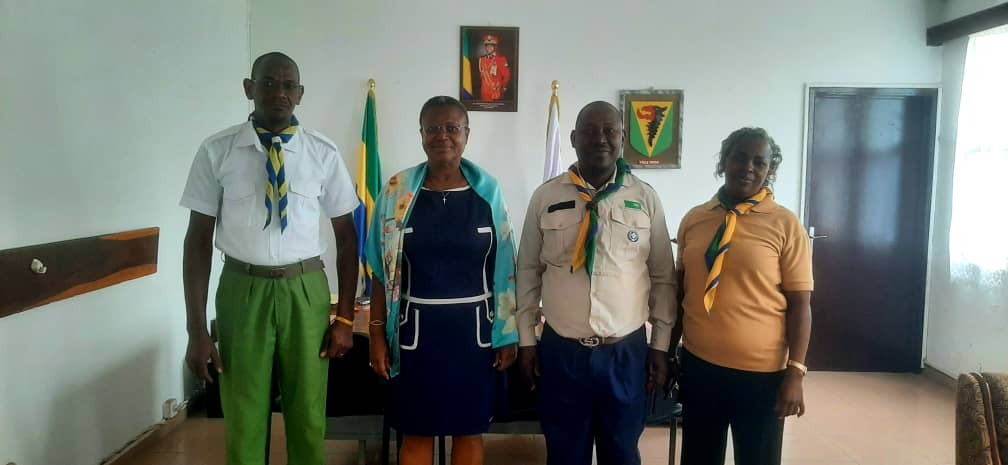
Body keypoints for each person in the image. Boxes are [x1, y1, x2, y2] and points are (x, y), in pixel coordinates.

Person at [180, 52, 359, 465]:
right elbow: (197, 240)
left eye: (287, 85)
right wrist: (196, 329)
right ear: (249, 88)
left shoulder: (322, 153)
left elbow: (348, 239)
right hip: (242, 289)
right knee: (243, 410)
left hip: (306, 291)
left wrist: (346, 318)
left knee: (309, 412)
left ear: (299, 94)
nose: (278, 92)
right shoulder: (217, 152)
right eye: (267, 83)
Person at [516, 101, 677, 465]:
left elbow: (663, 277)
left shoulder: (645, 198)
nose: (600, 138)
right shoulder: (546, 197)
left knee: (621, 452)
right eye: (589, 130)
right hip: (562, 353)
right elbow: (526, 270)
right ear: (573, 138)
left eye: (610, 131)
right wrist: (527, 339)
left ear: (622, 138)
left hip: (625, 352)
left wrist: (661, 345)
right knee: (565, 454)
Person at [365, 95, 519, 465]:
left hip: (475, 339)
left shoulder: (488, 193)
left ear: (467, 134)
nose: (443, 136)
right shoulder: (397, 192)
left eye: (453, 128)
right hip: (415, 338)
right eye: (433, 128)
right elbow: (379, 271)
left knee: (469, 433)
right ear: (421, 135)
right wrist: (375, 336)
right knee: (416, 435)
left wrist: (508, 334)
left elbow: (506, 270)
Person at [674, 127, 813, 465]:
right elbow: (681, 293)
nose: (748, 167)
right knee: (699, 458)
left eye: (760, 162)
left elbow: (800, 306)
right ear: (724, 161)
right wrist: (664, 353)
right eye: (740, 157)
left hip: (762, 377)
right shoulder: (695, 219)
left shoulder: (785, 224)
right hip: (700, 367)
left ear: (769, 171)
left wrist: (795, 372)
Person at [478, 34, 510, 101]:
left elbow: (506, 76)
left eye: (491, 46)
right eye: (487, 46)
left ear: (495, 47)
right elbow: (481, 77)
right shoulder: (481, 60)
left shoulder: (501, 60)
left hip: (496, 93)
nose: (489, 48)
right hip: (484, 93)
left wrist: (503, 89)